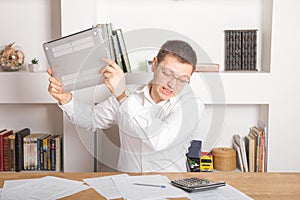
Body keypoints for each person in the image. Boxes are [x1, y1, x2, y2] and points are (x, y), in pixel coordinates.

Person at [48, 40, 205, 172]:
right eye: (167, 73)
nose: (172, 84)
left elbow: (159, 140)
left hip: (171, 190)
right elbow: (91, 119)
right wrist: (65, 98)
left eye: (182, 79)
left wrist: (122, 95)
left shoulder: (192, 106)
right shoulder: (128, 94)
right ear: (154, 64)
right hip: (127, 188)